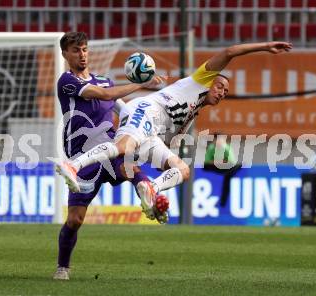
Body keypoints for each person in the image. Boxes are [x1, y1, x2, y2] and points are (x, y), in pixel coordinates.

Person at [54, 41, 293, 220]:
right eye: (220, 86)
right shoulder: (200, 79)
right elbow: (230, 51)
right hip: (146, 110)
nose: (221, 92)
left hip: (153, 132)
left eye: (226, 93)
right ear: (210, 81)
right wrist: (266, 46)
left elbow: (165, 149)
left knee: (182, 169)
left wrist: (161, 167)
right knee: (123, 147)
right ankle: (72, 166)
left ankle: (151, 190)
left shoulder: (190, 117)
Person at [52, 32, 165, 281]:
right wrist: (142, 84)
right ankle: (63, 266)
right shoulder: (66, 82)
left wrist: (146, 129)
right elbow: (104, 96)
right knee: (75, 220)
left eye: (84, 49)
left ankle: (147, 189)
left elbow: (122, 108)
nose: (81, 54)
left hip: (110, 148)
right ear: (65, 54)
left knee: (128, 166)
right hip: (84, 158)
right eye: (75, 50)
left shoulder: (105, 80)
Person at [203, 134, 242, 207]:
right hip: (215, 168)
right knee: (206, 167)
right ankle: (228, 174)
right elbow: (207, 162)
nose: (218, 141)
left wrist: (216, 161)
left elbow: (231, 162)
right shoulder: (211, 148)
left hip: (225, 169)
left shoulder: (227, 148)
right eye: (217, 139)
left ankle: (223, 202)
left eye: (220, 139)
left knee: (237, 167)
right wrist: (219, 162)